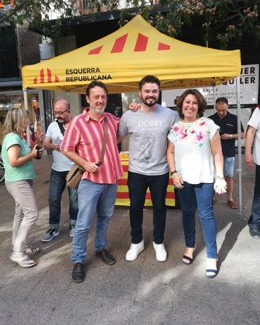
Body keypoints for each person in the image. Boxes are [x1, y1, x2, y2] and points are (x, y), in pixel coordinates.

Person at [60, 81, 123, 283]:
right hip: (90, 181)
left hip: (111, 179)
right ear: (87, 99)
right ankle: (78, 260)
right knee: (83, 223)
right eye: (96, 96)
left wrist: (134, 109)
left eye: (103, 96)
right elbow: (66, 148)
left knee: (105, 217)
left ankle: (100, 248)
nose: (100, 100)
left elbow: (125, 128)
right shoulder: (78, 122)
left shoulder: (112, 119)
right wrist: (85, 163)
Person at [167, 89, 227, 278]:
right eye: (187, 102)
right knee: (186, 213)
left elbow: (218, 153)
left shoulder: (208, 124)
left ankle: (211, 256)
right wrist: (174, 172)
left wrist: (220, 177)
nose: (190, 106)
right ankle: (190, 247)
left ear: (199, 106)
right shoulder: (176, 128)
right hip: (183, 180)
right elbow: (169, 152)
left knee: (206, 215)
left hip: (204, 179)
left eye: (194, 102)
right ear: (181, 105)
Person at [118, 75, 178, 262]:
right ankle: (137, 242)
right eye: (147, 91)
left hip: (160, 171)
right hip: (136, 171)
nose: (150, 94)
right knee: (135, 207)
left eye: (154, 91)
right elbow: (117, 138)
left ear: (158, 92)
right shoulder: (129, 115)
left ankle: (158, 242)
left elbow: (177, 141)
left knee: (160, 207)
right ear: (140, 93)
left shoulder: (170, 115)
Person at [1, 108, 43, 268]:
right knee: (32, 213)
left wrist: (36, 144)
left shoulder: (18, 136)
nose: (28, 120)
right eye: (26, 117)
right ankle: (18, 251)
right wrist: (32, 155)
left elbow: (28, 153)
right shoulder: (12, 138)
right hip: (18, 182)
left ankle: (18, 245)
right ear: (19, 119)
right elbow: (13, 161)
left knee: (20, 214)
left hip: (22, 180)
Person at [41, 99, 78, 242]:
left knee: (74, 200)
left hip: (73, 169)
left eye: (60, 112)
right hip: (56, 170)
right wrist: (54, 147)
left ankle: (74, 224)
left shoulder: (77, 124)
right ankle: (54, 227)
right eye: (56, 112)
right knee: (53, 199)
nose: (57, 115)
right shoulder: (52, 125)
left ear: (68, 111)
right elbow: (46, 144)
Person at [209, 97, 244, 209]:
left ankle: (230, 199)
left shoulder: (234, 118)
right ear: (215, 107)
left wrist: (229, 136)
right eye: (218, 110)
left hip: (228, 152)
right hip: (213, 153)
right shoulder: (210, 119)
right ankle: (211, 197)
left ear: (227, 107)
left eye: (223, 110)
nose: (221, 112)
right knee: (213, 176)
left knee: (229, 176)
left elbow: (243, 135)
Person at [245, 106, 260, 239]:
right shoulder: (259, 110)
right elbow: (251, 131)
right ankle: (255, 223)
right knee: (259, 194)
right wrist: (248, 153)